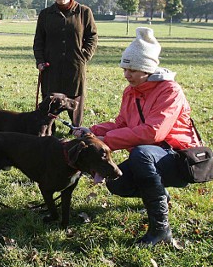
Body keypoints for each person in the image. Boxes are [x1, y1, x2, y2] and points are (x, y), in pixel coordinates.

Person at [73, 27, 200, 245]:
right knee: (117, 184)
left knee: (141, 154)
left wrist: (106, 141)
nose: (126, 74)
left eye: (132, 69)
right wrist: (93, 132)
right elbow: (122, 123)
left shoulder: (170, 91)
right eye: (124, 68)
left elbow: (153, 132)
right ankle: (159, 194)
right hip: (151, 156)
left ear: (147, 68)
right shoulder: (130, 92)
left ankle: (161, 230)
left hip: (180, 158)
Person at [33, 0, 97, 131]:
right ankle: (48, 129)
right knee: (50, 97)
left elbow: (92, 37)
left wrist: (84, 56)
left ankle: (76, 128)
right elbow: (38, 41)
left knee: (75, 96)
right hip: (51, 65)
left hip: (75, 65)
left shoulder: (84, 12)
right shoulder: (46, 14)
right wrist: (40, 60)